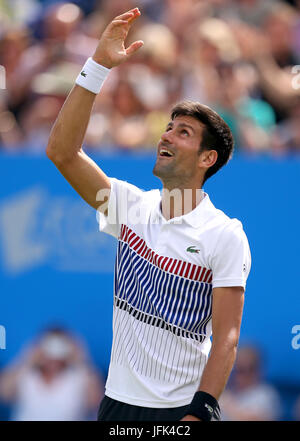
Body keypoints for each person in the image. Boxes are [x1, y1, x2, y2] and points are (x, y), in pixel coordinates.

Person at [46, 8, 251, 421]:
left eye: (183, 132)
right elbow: (62, 153)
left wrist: (202, 408)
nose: (167, 135)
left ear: (207, 159)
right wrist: (97, 66)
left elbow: (227, 335)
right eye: (169, 127)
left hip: (178, 413)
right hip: (115, 407)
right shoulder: (129, 207)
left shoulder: (224, 234)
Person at [0, 327, 104, 421]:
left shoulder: (79, 376)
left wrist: (82, 361)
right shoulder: (26, 375)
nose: (54, 355)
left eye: (60, 346)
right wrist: (26, 359)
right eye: (49, 345)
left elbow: (97, 404)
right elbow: (4, 394)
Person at [219, 344, 282, 420]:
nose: (238, 376)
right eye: (235, 369)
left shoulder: (266, 394)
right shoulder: (228, 391)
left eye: (243, 370)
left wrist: (227, 404)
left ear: (256, 370)